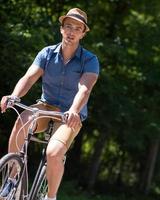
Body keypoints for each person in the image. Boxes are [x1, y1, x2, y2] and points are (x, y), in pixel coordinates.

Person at [0, 8, 100, 200]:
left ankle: (50, 197)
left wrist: (73, 110)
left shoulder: (90, 60)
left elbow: (84, 89)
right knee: (22, 121)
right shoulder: (46, 53)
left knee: (53, 153)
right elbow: (29, 78)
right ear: (61, 29)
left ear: (83, 33)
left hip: (70, 115)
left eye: (77, 28)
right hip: (46, 107)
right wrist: (13, 95)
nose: (71, 32)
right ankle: (12, 179)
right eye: (68, 27)